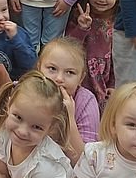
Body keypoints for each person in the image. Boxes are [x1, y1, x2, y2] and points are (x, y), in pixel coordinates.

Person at [36, 37, 99, 165]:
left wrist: (69, 118)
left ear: (81, 78)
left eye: (69, 72)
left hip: (67, 170)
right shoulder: (26, 91)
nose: (59, 78)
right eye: (52, 69)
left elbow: (84, 162)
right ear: (39, 68)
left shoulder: (86, 101)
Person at [65, 0, 119, 111]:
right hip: (81, 76)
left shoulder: (117, 20)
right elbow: (69, 46)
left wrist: (113, 84)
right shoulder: (78, 14)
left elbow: (118, 56)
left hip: (103, 80)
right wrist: (82, 27)